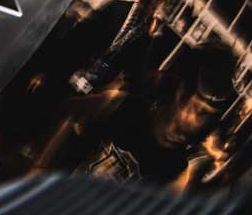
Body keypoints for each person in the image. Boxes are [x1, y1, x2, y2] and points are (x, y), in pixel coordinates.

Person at [33, 43, 238, 190]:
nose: (199, 125)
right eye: (200, 111)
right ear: (180, 91)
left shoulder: (174, 172)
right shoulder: (124, 106)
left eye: (209, 118)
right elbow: (70, 110)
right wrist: (40, 167)